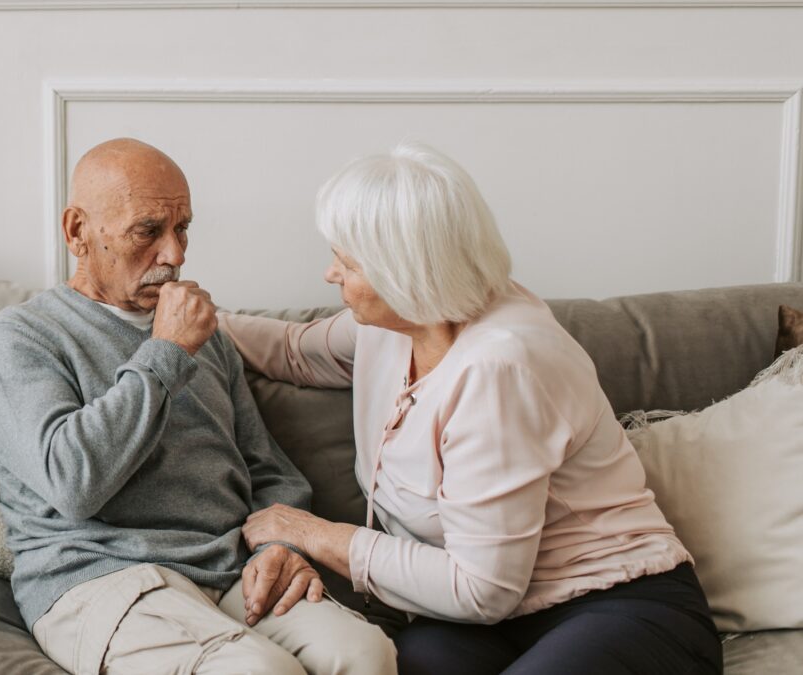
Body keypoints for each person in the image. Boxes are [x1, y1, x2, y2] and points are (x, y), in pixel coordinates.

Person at [218, 142, 723, 674]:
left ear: (402, 271)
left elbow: (483, 590)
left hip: (614, 602)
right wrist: (179, 318)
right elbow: (295, 353)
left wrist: (313, 532)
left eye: (346, 261)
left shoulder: (498, 367)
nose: (330, 273)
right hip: (481, 624)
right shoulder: (398, 326)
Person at [0, 138, 396, 675]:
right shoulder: (23, 336)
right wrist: (168, 352)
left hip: (229, 566)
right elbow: (73, 481)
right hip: (102, 577)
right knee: (258, 671)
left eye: (183, 228)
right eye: (148, 231)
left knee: (365, 652)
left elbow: (266, 467)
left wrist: (281, 546)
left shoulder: (206, 334)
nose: (175, 255)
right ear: (77, 231)